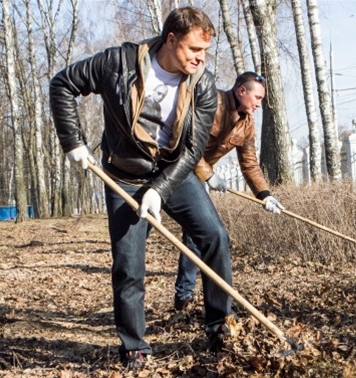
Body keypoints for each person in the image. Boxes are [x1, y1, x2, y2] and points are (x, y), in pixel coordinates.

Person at [49, 7, 233, 368]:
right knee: (129, 265)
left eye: (205, 52)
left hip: (172, 173)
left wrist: (160, 190)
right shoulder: (117, 63)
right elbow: (62, 83)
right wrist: (73, 142)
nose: (200, 58)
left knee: (215, 237)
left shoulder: (203, 84)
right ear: (171, 39)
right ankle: (134, 345)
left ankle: (218, 327)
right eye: (194, 49)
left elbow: (194, 148)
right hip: (123, 176)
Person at [173, 71, 284, 311]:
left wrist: (265, 195)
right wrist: (208, 174)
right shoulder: (210, 102)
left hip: (196, 176)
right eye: (257, 97)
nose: (259, 104)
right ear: (242, 91)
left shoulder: (247, 124)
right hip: (171, 168)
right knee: (143, 225)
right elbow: (185, 141)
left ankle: (184, 295)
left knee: (199, 231)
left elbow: (249, 163)